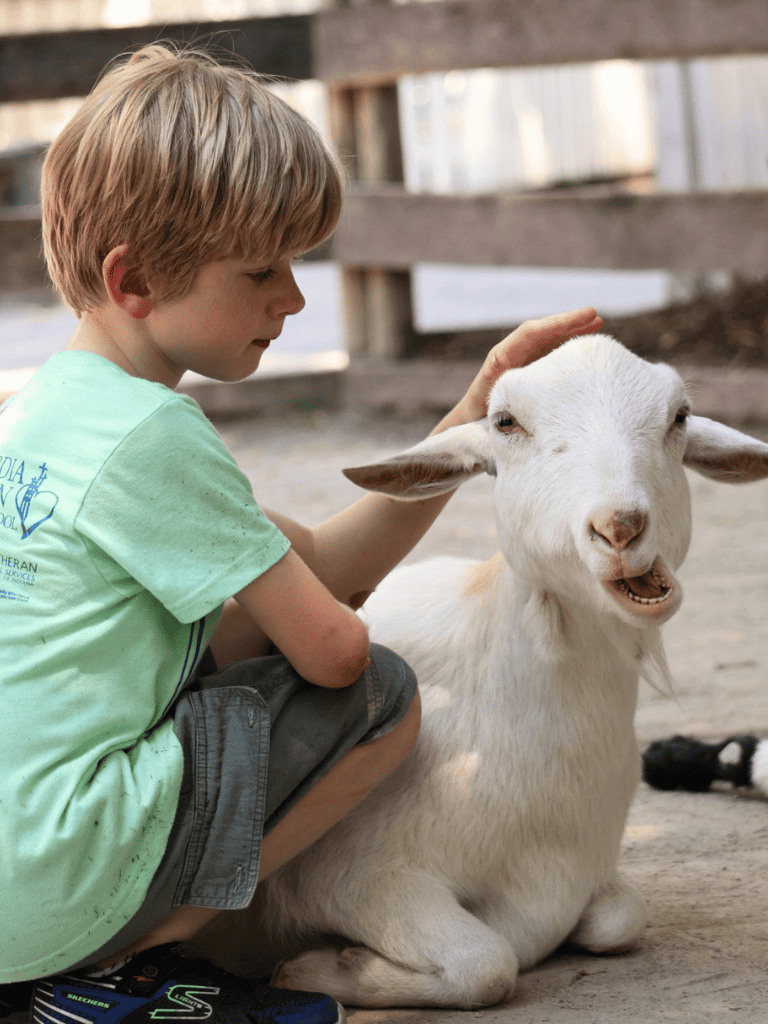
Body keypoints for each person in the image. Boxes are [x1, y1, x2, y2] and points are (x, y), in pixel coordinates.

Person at [0, 42, 604, 1024]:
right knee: (381, 693)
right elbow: (333, 646)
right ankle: (131, 955)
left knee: (222, 636)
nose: (294, 298)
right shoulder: (156, 435)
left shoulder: (42, 419)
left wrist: (474, 414)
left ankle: (73, 948)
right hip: (60, 879)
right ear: (136, 278)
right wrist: (315, 630)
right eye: (264, 270)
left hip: (9, 870)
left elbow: (322, 563)